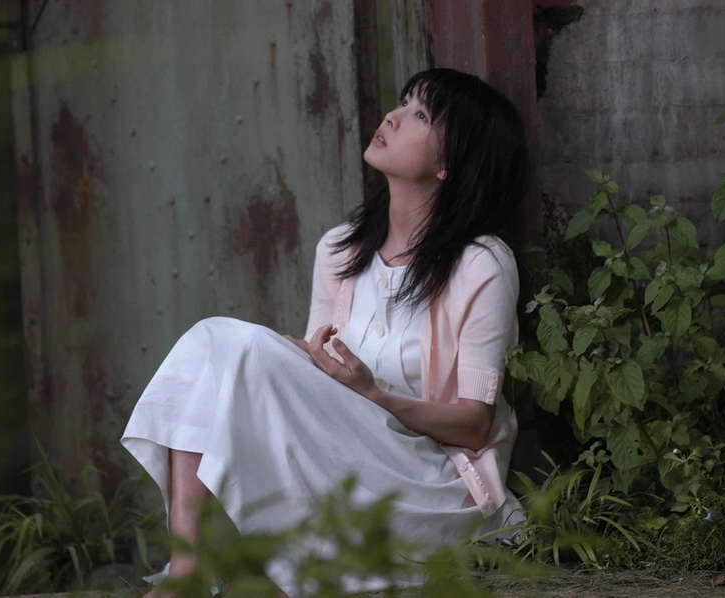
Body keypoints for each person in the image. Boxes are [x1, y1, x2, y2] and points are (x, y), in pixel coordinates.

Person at [122, 67, 529, 598]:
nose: (393, 117)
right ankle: (188, 568)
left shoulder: (481, 265)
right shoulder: (341, 250)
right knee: (214, 343)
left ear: (449, 164)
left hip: (432, 490)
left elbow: (475, 426)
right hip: (347, 467)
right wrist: (303, 360)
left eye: (420, 115)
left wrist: (374, 394)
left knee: (235, 344)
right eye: (402, 102)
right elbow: (319, 373)